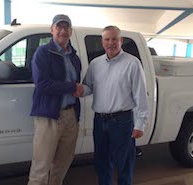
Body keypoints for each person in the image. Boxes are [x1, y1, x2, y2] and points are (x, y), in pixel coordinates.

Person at [81, 26, 149, 185]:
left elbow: (140, 95)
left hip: (122, 122)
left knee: (124, 163)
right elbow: (88, 87)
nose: (110, 43)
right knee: (102, 162)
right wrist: (78, 90)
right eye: (107, 39)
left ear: (121, 41)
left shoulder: (132, 63)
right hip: (99, 121)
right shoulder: (95, 64)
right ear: (102, 41)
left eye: (114, 39)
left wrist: (140, 124)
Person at [28, 14, 83, 185]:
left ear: (71, 32)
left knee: (61, 165)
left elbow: (77, 84)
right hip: (49, 116)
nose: (63, 31)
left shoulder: (74, 57)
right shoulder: (43, 53)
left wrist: (78, 90)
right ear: (52, 30)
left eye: (66, 27)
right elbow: (42, 83)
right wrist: (72, 87)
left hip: (70, 116)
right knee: (41, 167)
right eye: (59, 27)